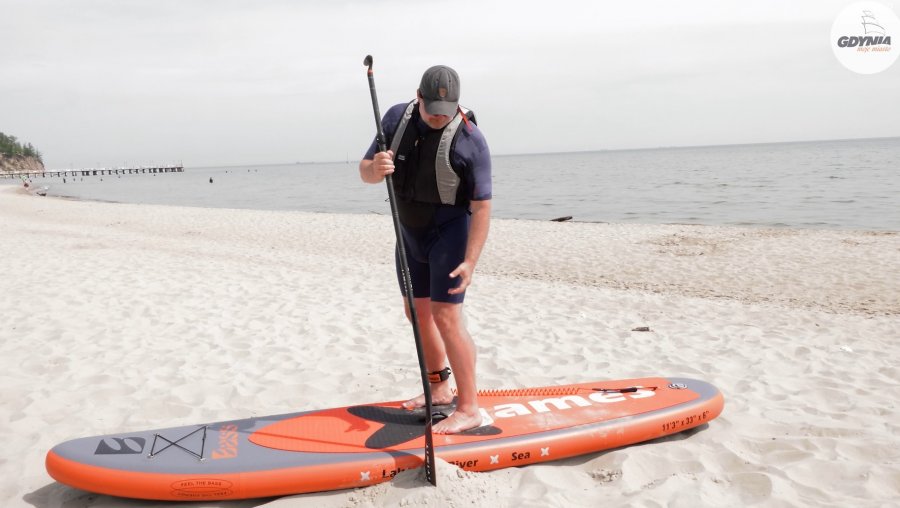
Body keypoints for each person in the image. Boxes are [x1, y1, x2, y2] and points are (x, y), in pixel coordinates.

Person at [359, 65, 492, 434]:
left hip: (450, 235)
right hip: (408, 236)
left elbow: (482, 207)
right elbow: (365, 170)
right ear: (418, 97)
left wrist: (470, 262)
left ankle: (469, 408)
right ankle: (439, 388)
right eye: (431, 108)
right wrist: (376, 168)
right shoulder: (394, 119)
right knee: (417, 313)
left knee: (446, 317)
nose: (437, 116)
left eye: (445, 112)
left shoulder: (471, 140)